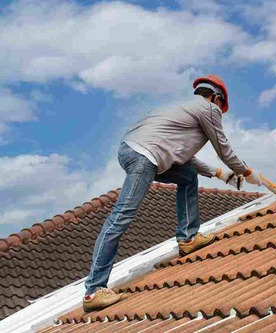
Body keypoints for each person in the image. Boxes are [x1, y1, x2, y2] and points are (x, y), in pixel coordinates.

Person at [82, 74, 262, 312]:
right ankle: (94, 290)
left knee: (187, 177)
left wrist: (220, 174)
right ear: (216, 98)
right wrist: (246, 171)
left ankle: (188, 238)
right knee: (120, 216)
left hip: (131, 151)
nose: (220, 112)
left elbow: (183, 157)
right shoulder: (209, 109)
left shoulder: (178, 109)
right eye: (220, 106)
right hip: (145, 157)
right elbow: (223, 148)